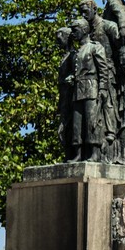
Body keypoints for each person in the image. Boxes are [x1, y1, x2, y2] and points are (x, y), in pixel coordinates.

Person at [97, 0, 125, 165]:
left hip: (114, 65)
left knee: (115, 111)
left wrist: (124, 60)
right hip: (112, 63)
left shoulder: (113, 2)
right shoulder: (112, 2)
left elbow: (123, 21)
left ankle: (118, 154)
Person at [67, 18, 113, 161]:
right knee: (77, 124)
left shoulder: (95, 47)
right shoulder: (75, 52)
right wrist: (71, 77)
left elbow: (103, 69)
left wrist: (103, 88)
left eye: (76, 30)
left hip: (92, 88)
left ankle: (94, 153)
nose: (73, 33)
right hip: (78, 89)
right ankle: (78, 154)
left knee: (91, 122)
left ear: (85, 30)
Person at [79, 0, 119, 158]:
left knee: (108, 102)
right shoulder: (85, 30)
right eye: (81, 11)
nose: (83, 14)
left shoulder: (108, 26)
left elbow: (121, 45)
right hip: (91, 76)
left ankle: (110, 132)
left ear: (94, 9)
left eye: (85, 10)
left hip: (108, 69)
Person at [54, 26, 77, 161]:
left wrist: (71, 78)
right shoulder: (65, 56)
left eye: (59, 38)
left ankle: (72, 155)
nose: (58, 42)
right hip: (64, 97)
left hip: (71, 97)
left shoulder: (73, 55)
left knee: (67, 129)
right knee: (63, 130)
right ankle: (68, 155)